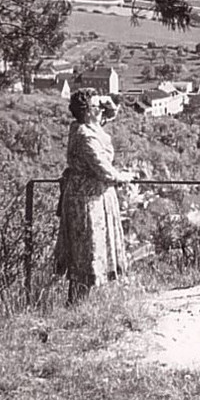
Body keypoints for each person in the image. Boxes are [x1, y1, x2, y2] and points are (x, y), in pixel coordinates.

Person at [54, 88, 136, 303]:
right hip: (86, 200)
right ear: (89, 111)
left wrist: (108, 105)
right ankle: (77, 304)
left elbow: (106, 117)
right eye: (97, 106)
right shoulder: (84, 136)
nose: (102, 110)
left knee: (91, 249)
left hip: (93, 197)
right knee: (86, 250)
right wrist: (124, 177)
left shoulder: (86, 127)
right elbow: (103, 169)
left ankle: (82, 304)